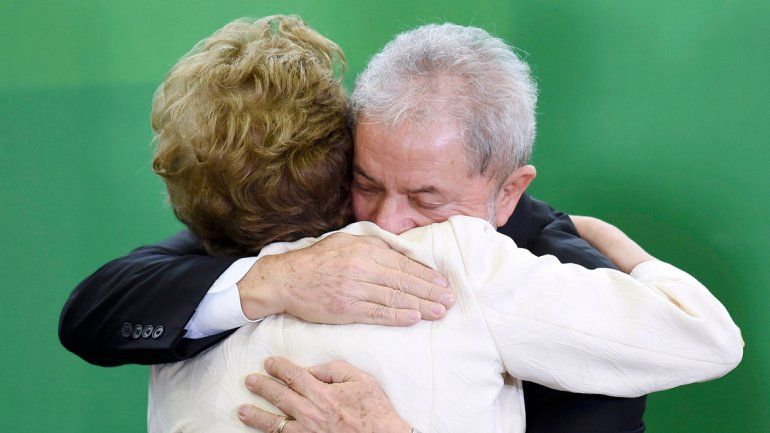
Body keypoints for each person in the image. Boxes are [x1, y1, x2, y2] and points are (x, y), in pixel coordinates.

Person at [57, 17, 732, 433]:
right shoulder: (299, 227)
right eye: (368, 182)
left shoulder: (560, 277)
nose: (388, 222)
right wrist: (273, 279)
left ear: (508, 191)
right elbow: (102, 306)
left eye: (428, 198)